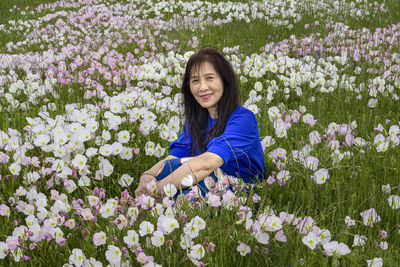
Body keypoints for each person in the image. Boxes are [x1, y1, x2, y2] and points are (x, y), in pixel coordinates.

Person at [135, 47, 265, 199]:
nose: (203, 87)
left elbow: (207, 163)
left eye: (210, 78)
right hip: (207, 177)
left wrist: (158, 189)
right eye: (195, 80)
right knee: (171, 169)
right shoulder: (196, 120)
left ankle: (159, 206)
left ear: (225, 80)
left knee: (189, 191)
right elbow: (174, 159)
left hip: (241, 189)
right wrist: (148, 176)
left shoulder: (243, 119)